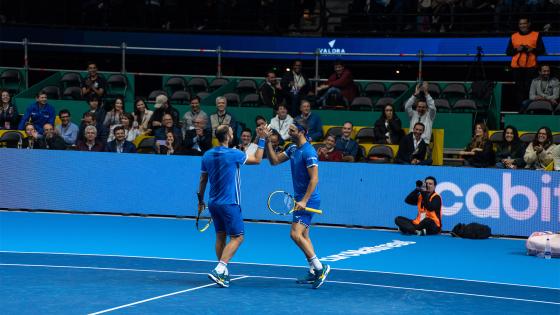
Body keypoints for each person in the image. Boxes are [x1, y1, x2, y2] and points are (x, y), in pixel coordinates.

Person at [197, 124, 267, 288]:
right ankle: (220, 268)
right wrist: (263, 139)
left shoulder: (207, 155)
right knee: (238, 237)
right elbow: (256, 159)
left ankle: (222, 273)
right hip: (230, 203)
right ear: (228, 136)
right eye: (230, 130)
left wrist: (200, 201)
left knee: (220, 235)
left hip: (213, 203)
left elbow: (202, 181)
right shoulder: (234, 154)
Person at [265, 122, 331, 289]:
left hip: (308, 200)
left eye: (292, 130)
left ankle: (320, 268)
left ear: (301, 132)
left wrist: (304, 201)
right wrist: (267, 142)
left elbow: (314, 178)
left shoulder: (309, 152)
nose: (289, 132)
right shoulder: (293, 149)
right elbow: (274, 161)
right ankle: (313, 271)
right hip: (299, 199)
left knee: (295, 234)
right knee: (304, 236)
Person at [506, 17, 546, 110]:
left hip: (531, 67)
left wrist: (533, 49)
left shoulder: (536, 35)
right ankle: (520, 109)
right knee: (518, 89)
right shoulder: (514, 36)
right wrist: (517, 49)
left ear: (529, 24)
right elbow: (508, 52)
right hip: (516, 67)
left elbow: (542, 50)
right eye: (520, 24)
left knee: (530, 89)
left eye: (524, 23)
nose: (522, 26)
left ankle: (529, 108)